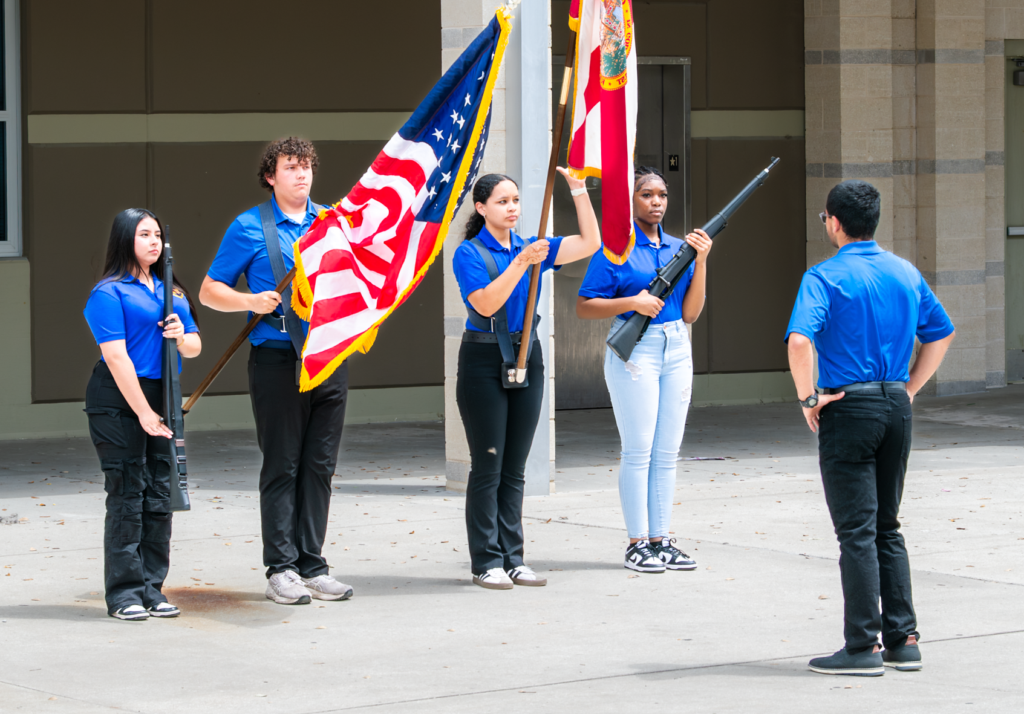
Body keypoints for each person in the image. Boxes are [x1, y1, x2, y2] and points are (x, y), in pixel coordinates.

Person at [785, 180, 955, 676]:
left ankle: (862, 646)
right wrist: (908, 389)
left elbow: (799, 342)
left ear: (834, 222)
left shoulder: (823, 276)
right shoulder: (905, 271)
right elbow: (941, 334)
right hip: (895, 405)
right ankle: (903, 639)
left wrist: (808, 398)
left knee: (855, 531)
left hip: (849, 408)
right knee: (887, 526)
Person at [199, 137, 352, 605]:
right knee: (283, 464)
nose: (301, 174)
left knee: (320, 465)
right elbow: (208, 290)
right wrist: (249, 302)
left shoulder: (332, 222)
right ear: (271, 176)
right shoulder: (249, 227)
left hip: (328, 356)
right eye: (290, 167)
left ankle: (313, 564)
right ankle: (281, 567)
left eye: (306, 166)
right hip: (276, 357)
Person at [453, 170, 600, 590]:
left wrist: (577, 191)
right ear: (481, 208)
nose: (512, 208)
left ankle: (514, 556)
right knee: (489, 464)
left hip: (527, 355)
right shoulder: (470, 253)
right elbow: (484, 303)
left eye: (516, 200)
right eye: (502, 201)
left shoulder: (532, 246)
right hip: (485, 357)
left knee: (514, 467)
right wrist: (521, 263)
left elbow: (590, 243)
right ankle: (486, 560)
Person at [576, 166, 713, 574]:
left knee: (667, 452)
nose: (656, 202)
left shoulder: (679, 249)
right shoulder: (614, 248)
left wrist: (701, 261)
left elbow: (690, 312)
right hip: (637, 347)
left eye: (662, 195)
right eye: (646, 194)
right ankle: (637, 542)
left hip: (676, 345)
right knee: (639, 450)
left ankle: (662, 539)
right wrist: (631, 302)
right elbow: (585, 305)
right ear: (630, 200)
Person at [83, 208, 202, 620]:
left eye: (157, 235)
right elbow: (116, 359)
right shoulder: (108, 293)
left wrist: (180, 334)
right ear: (124, 240)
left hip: (162, 394)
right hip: (118, 400)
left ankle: (153, 589)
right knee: (128, 492)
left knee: (159, 494)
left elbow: (194, 347)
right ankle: (124, 595)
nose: (154, 241)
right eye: (143, 234)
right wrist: (145, 413)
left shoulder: (173, 293)